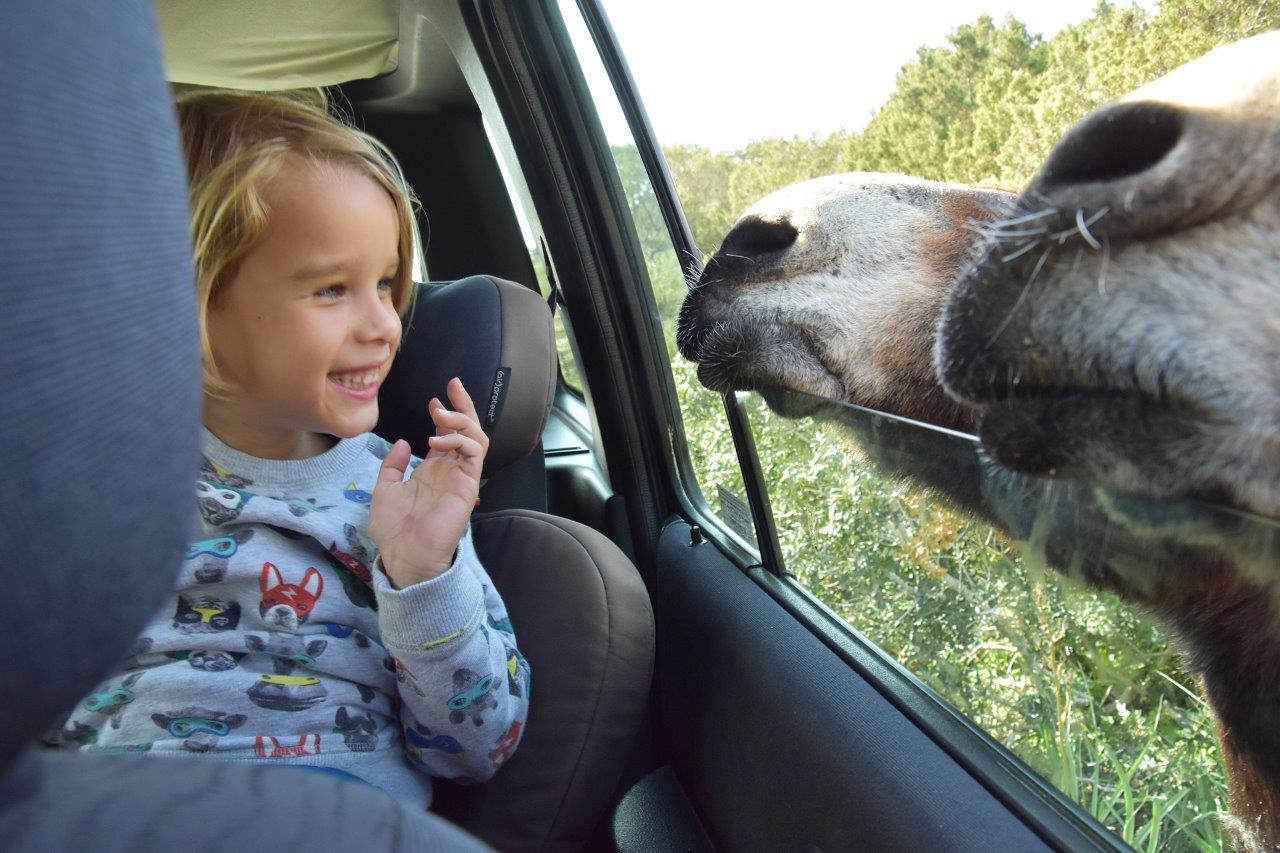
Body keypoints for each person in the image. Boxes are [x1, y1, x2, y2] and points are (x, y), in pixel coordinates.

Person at [47, 90, 530, 810]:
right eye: (332, 288)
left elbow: (475, 746)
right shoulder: (93, 485)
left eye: (387, 283)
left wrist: (421, 572)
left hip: (331, 812)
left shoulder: (398, 497)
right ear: (184, 297)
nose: (385, 325)